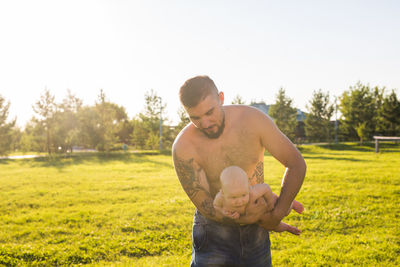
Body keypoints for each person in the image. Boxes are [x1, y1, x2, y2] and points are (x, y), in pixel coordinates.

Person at [172, 75, 306, 266]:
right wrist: (262, 215)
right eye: (195, 118)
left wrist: (276, 214)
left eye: (210, 112)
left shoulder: (253, 120)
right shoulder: (184, 146)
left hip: (257, 233)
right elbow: (208, 207)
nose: (205, 123)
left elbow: (296, 163)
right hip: (213, 233)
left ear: (221, 98)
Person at [213, 165, 304, 234]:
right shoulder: (220, 198)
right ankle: (287, 228)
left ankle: (292, 204)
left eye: (243, 195)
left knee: (284, 210)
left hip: (266, 202)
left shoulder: (253, 192)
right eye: (233, 197)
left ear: (248, 188)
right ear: (223, 193)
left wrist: (270, 203)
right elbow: (216, 206)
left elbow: (266, 188)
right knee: (266, 223)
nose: (239, 201)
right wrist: (223, 212)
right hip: (255, 215)